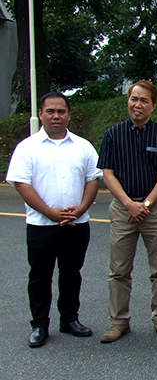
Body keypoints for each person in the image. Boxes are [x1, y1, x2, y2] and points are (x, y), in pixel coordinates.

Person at [6, 92, 103, 348]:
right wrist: (50, 212)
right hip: (41, 225)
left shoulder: (83, 146)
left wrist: (81, 208)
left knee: (71, 273)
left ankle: (69, 319)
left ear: (69, 114)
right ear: (41, 114)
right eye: (50, 111)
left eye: (61, 111)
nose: (56, 116)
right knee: (40, 275)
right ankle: (39, 325)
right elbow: (21, 184)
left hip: (77, 224)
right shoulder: (27, 148)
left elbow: (93, 179)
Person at [97, 80, 157, 343]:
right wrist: (129, 204)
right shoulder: (112, 134)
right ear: (128, 101)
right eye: (134, 99)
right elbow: (107, 173)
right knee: (119, 269)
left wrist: (145, 205)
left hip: (153, 210)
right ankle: (119, 321)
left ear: (153, 105)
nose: (137, 105)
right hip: (122, 209)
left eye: (144, 100)